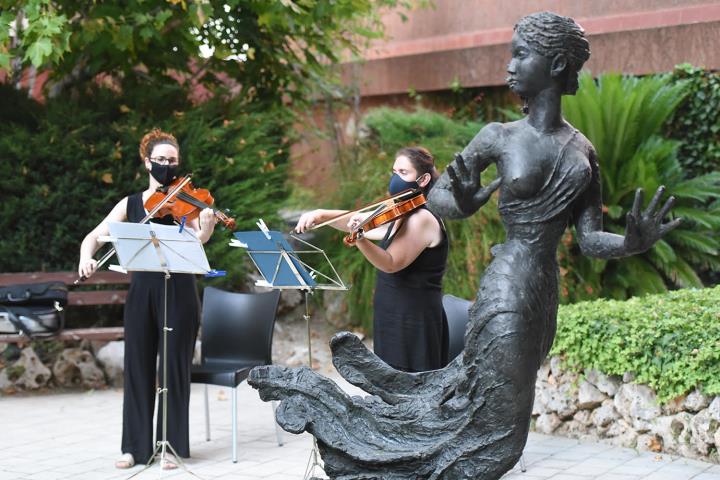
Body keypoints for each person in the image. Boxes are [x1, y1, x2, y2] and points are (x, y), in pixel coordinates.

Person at [248, 11, 680, 480]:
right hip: (507, 288)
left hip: (542, 295)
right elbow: (439, 196)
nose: (509, 65)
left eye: (521, 54)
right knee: (498, 434)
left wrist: (632, 243)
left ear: (556, 64)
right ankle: (379, 449)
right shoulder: (499, 136)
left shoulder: (583, 151)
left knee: (498, 420)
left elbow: (591, 239)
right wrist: (463, 203)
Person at [78, 129, 218, 469]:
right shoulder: (130, 204)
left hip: (180, 290)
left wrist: (207, 230)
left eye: (173, 161)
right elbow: (94, 236)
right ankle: (135, 448)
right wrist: (86, 257)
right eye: (161, 160)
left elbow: (197, 241)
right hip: (143, 290)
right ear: (147, 163)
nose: (167, 166)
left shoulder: (189, 201)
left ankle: (171, 447)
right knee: (138, 366)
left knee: (174, 368)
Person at [294, 147, 449, 372]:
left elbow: (391, 262)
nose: (395, 179)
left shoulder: (422, 217)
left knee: (408, 392)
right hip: (392, 314)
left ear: (423, 179)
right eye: (394, 171)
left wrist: (359, 240)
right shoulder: (402, 211)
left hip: (413, 321)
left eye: (403, 172)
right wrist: (321, 215)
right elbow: (363, 222)